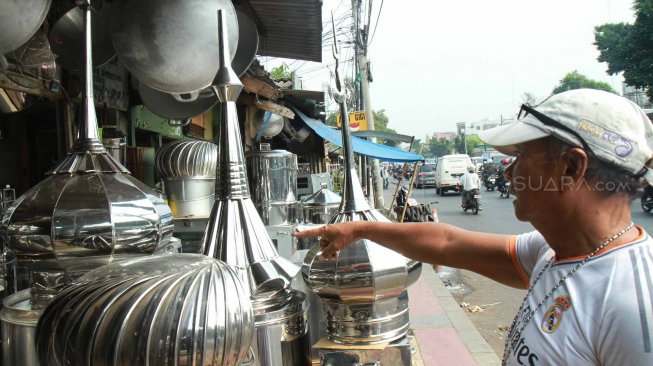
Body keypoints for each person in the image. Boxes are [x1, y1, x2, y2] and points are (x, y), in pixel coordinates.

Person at [295, 89, 653, 365]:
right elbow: (448, 242)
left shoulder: (635, 306)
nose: (509, 173)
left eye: (522, 157)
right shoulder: (551, 252)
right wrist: (359, 230)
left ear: (571, 168)